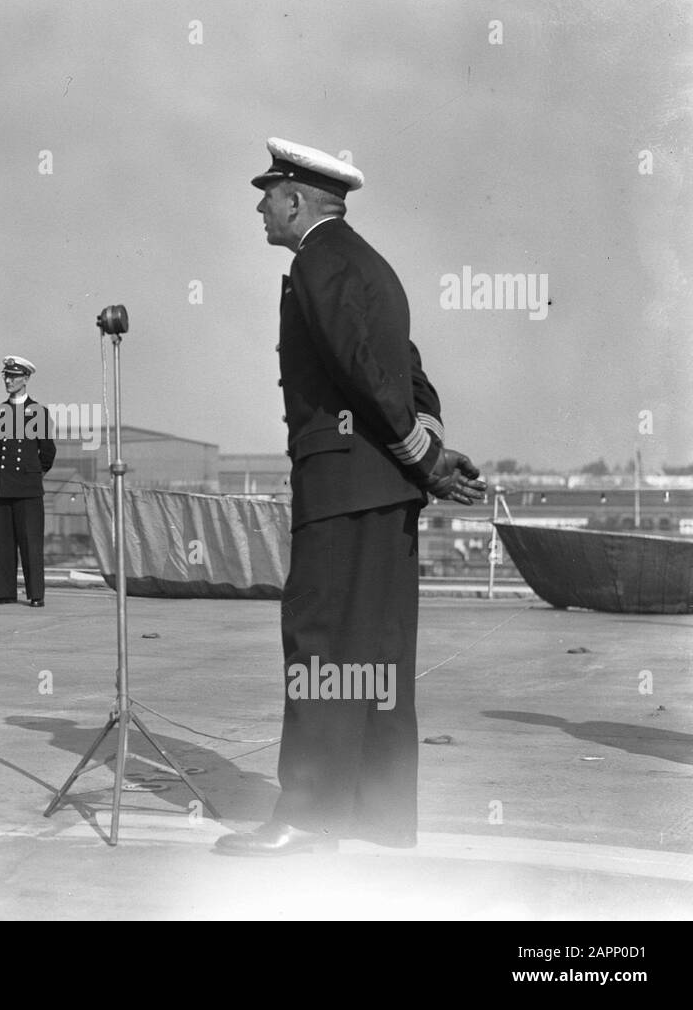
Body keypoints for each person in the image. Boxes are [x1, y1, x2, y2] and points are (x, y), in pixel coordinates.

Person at [216, 138, 486, 858]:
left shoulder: (317, 262)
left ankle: (308, 815)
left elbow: (361, 368)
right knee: (379, 653)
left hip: (339, 486)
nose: (260, 205)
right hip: (388, 491)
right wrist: (426, 447)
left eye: (268, 194)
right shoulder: (373, 265)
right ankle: (377, 814)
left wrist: (421, 453)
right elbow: (412, 374)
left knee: (323, 645)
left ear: (298, 201)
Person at [0, 356, 55, 607]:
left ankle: (36, 593)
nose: (8, 380)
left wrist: (33, 473)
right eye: (6, 376)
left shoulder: (37, 412)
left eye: (14, 376)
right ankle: (4, 592)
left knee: (30, 542)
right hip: (2, 486)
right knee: (4, 542)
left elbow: (47, 452)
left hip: (27, 488)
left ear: (26, 379)